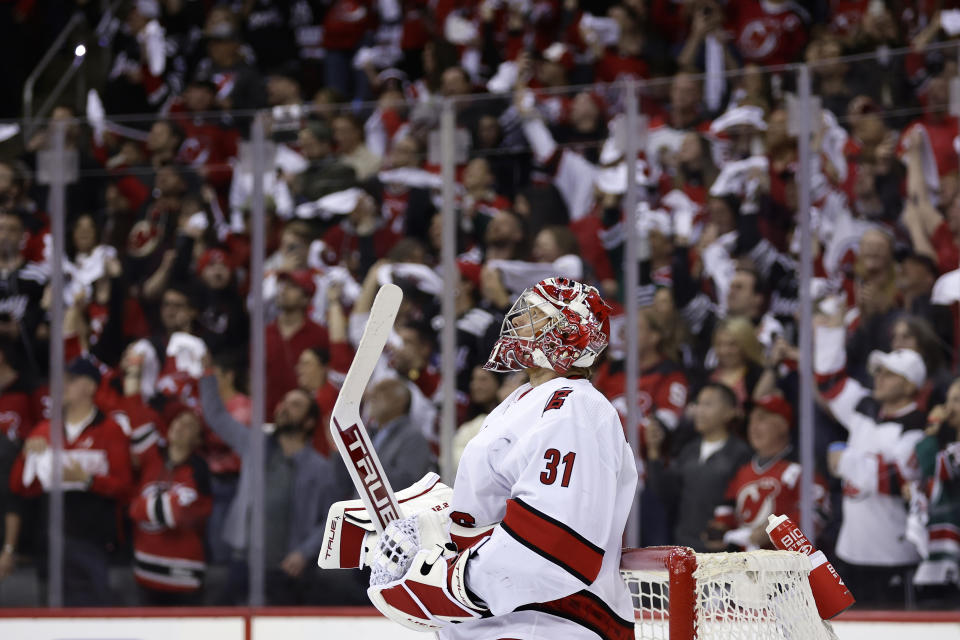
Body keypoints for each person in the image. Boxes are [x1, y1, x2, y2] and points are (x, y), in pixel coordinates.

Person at [367, 277, 639, 639]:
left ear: (570, 334)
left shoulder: (577, 408)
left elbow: (556, 544)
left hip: (548, 626)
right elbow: (488, 508)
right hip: (501, 622)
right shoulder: (524, 400)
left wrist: (454, 583)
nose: (517, 321)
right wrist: (427, 529)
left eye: (535, 315)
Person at [9, 357, 133, 606]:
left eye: (70, 381)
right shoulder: (44, 430)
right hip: (50, 543)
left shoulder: (110, 430)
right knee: (51, 619)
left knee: (94, 617)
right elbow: (20, 487)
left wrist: (87, 480)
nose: (61, 386)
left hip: (93, 542)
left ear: (90, 386)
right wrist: (26, 457)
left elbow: (125, 487)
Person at [645, 383, 753, 552]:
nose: (699, 411)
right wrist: (654, 450)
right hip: (684, 547)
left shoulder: (741, 453)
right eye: (698, 404)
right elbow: (665, 493)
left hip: (723, 552)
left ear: (730, 412)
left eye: (708, 404)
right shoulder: (689, 450)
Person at [129, 403, 212, 605]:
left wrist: (143, 506)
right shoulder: (152, 460)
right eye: (178, 420)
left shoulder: (199, 472)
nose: (180, 425)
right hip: (146, 574)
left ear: (198, 439)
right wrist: (159, 506)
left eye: (189, 425)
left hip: (184, 578)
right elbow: (133, 510)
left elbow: (181, 515)